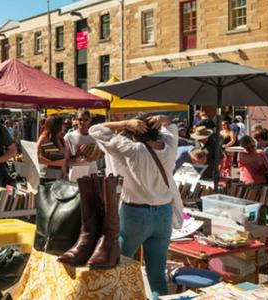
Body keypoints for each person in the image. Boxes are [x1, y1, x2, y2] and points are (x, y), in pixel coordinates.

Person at [89, 114, 180, 296]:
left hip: (135, 214)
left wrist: (124, 123)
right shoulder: (170, 146)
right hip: (163, 213)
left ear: (134, 133)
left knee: (117, 267)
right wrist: (163, 118)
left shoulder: (132, 149)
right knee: (157, 276)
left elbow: (95, 130)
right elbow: (172, 127)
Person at [64, 109, 98, 176]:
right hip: (76, 174)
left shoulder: (95, 136)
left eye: (85, 120)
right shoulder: (69, 136)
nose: (82, 122)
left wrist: (93, 157)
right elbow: (65, 160)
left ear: (90, 120)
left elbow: (101, 156)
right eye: (80, 119)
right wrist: (76, 160)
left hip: (92, 173)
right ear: (76, 120)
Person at [36, 116, 68, 181]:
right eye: (63, 124)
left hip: (58, 177)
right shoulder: (45, 138)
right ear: (56, 125)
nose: (65, 126)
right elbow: (36, 157)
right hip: (46, 177)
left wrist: (64, 172)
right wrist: (54, 163)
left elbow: (63, 159)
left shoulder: (61, 139)